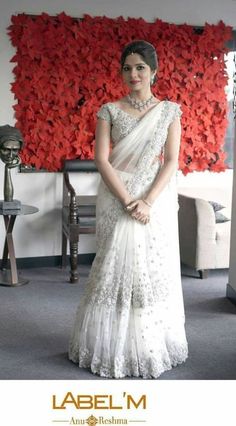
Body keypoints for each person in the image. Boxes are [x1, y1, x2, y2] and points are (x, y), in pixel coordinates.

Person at [69, 40, 188, 378]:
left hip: (155, 198)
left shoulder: (169, 111)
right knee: (113, 266)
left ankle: (147, 344)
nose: (133, 74)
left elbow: (171, 161)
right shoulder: (109, 110)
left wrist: (147, 201)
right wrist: (127, 200)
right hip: (118, 195)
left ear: (154, 71)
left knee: (150, 268)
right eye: (127, 68)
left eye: (140, 67)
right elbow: (101, 159)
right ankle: (107, 347)